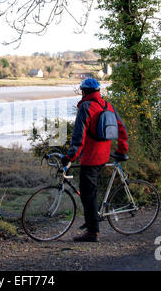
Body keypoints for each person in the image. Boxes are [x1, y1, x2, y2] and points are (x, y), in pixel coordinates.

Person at [61, 78, 128, 242]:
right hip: (104, 156)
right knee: (91, 191)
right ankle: (92, 219)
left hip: (90, 158)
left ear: (84, 91)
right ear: (98, 91)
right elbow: (121, 128)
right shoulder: (107, 105)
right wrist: (121, 150)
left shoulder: (85, 106)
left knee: (87, 194)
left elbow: (79, 137)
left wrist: (69, 157)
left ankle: (93, 232)